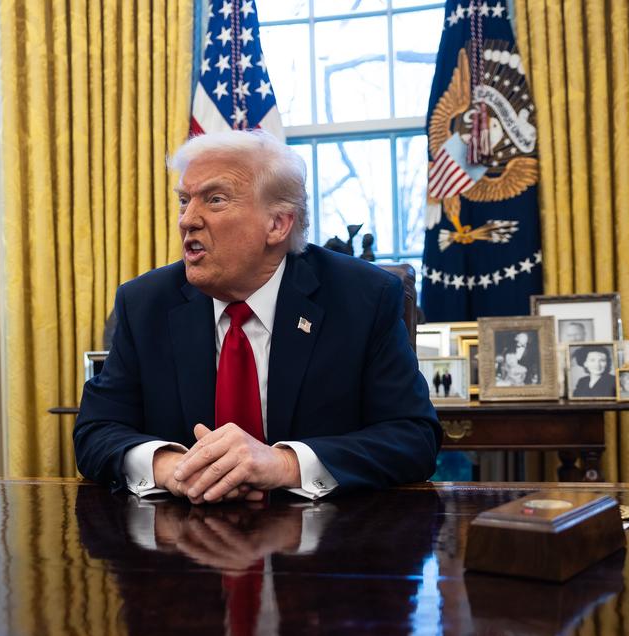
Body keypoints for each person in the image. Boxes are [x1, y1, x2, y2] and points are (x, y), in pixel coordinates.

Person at [73, 130, 441, 503]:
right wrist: (170, 468)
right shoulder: (145, 303)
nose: (187, 220)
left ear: (278, 224)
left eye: (214, 200)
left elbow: (413, 437)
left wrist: (283, 465)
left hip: (324, 546)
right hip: (181, 541)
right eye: (184, 201)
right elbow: (95, 430)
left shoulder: (362, 297)